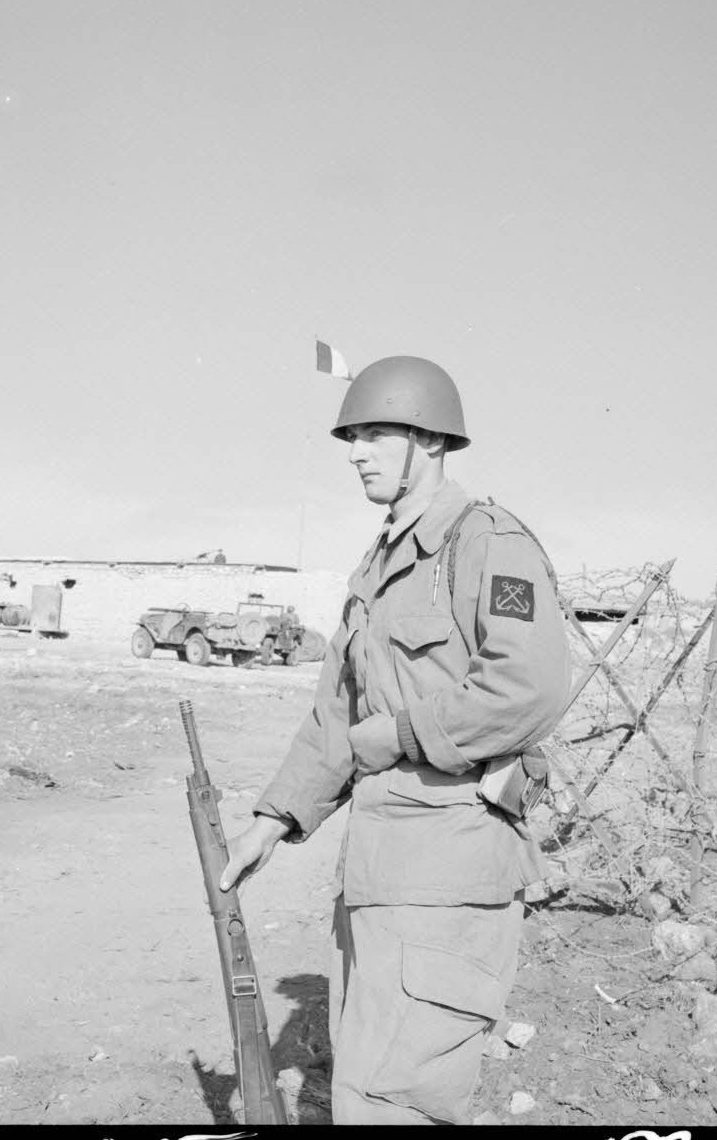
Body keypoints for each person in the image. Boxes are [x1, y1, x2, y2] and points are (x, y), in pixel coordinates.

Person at [220, 355, 572, 1125]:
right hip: (378, 868)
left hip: (449, 865)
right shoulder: (375, 571)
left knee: (400, 1101)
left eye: (376, 433)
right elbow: (337, 717)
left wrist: (407, 732)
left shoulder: (486, 543)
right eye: (353, 435)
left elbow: (531, 686)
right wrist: (272, 821)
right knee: (366, 1087)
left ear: (432, 442)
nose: (356, 451)